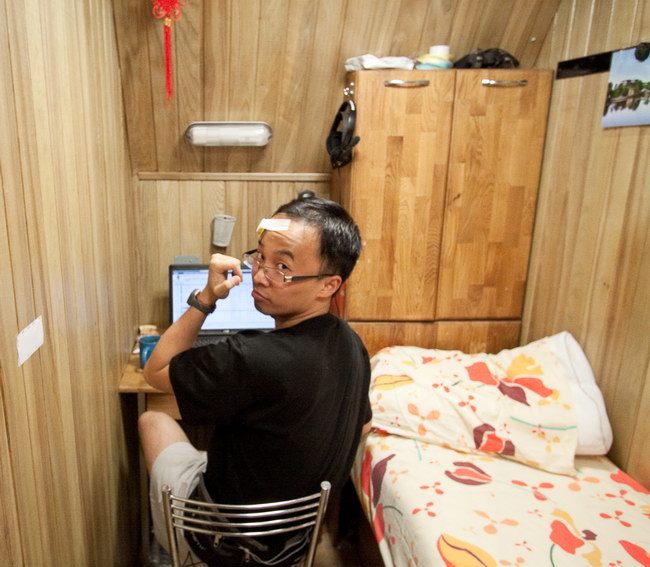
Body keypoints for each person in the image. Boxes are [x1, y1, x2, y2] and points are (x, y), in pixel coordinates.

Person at [138, 196, 372, 566]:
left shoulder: (249, 357)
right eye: (261, 256)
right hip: (295, 544)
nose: (260, 275)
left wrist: (206, 297)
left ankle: (176, 547)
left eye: (283, 267)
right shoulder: (353, 344)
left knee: (152, 420)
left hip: (219, 544)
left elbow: (155, 370)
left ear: (328, 285)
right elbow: (363, 426)